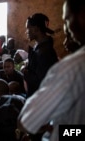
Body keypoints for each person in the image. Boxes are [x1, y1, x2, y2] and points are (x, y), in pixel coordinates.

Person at [18, 1, 85, 141]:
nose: (66, 29)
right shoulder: (39, 48)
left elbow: (26, 120)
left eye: (67, 20)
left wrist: (25, 72)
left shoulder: (70, 65)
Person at [23, 13, 58, 98]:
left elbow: (41, 81)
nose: (26, 31)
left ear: (36, 29)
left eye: (28, 28)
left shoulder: (45, 52)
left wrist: (25, 72)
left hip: (40, 99)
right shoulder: (39, 47)